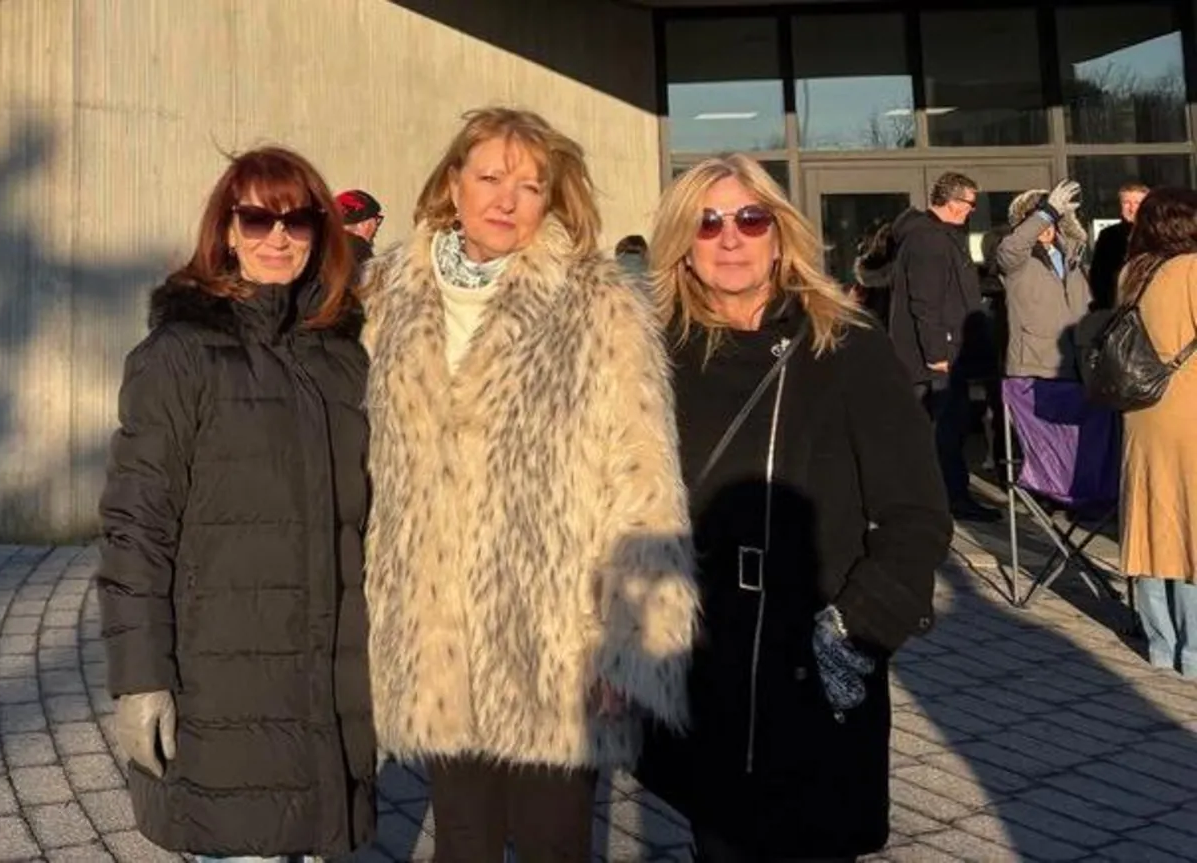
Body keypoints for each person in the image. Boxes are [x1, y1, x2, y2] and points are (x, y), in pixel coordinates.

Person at [361, 107, 699, 862]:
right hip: (432, 621)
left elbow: (643, 477)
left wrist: (629, 640)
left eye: (529, 183)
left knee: (553, 842)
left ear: (553, 197)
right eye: (489, 177)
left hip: (554, 631)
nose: (506, 199)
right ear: (453, 185)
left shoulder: (599, 301)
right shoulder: (386, 297)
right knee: (464, 840)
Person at [637, 153, 952, 862]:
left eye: (750, 218)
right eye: (706, 222)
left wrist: (856, 631)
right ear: (681, 243)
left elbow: (916, 514)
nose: (729, 237)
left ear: (780, 233)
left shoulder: (845, 344)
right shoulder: (655, 352)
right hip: (702, 668)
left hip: (810, 667)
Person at [95, 147, 375, 861]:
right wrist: (141, 678)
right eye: (256, 218)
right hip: (223, 678)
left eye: (297, 220)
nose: (277, 238)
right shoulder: (180, 354)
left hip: (328, 672)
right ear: (225, 230)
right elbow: (135, 526)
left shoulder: (344, 354)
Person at [1116, 187, 1197, 678]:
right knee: (1190, 527)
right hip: (1189, 410)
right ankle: (1193, 652)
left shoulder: (1132, 272)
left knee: (1149, 521)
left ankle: (1160, 645)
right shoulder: (1193, 269)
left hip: (1141, 412)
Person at [889, 171, 999, 522]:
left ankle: (949, 494)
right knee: (945, 431)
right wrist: (937, 354)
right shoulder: (929, 241)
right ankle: (950, 497)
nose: (971, 210)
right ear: (952, 202)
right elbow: (925, 301)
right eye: (969, 203)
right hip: (937, 360)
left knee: (946, 429)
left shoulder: (937, 237)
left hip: (947, 353)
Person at [997, 181, 1093, 381]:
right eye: (1039, 221)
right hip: (1034, 368)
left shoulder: (1072, 256)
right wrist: (1047, 212)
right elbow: (1012, 247)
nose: (1046, 227)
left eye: (1052, 221)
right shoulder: (1017, 261)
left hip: (1077, 365)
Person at [1089, 181, 1149, 311]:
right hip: (1117, 308)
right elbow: (1098, 276)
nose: (1132, 208)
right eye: (1126, 203)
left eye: (1138, 203)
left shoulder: (1156, 234)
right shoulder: (1108, 236)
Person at [337, 188, 385, 266]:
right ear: (363, 223)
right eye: (376, 219)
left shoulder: (326, 245)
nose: (377, 226)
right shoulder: (359, 250)